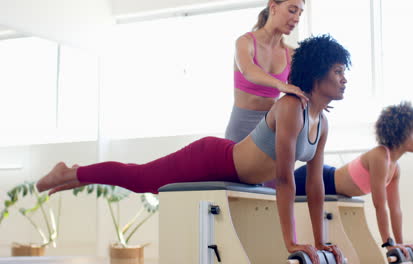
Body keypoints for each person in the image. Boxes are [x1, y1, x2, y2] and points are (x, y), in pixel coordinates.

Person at [36, 34, 350, 264]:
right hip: (213, 159)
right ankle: (72, 172)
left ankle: (75, 175)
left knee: (142, 179)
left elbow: (314, 185)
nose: (344, 79)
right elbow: (284, 179)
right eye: (337, 72)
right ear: (317, 72)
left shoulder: (321, 124)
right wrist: (291, 241)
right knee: (141, 178)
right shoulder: (291, 108)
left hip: (238, 172)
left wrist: (322, 242)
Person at [294, 101, 413, 259]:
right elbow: (380, 205)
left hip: (327, 184)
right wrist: (389, 244)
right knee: (272, 197)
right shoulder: (380, 156)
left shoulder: (395, 168)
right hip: (316, 178)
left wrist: (400, 243)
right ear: (401, 132)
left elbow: (395, 209)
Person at [225, 0, 309, 143]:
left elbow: (299, 91)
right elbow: (248, 70)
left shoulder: (291, 53)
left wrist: (318, 98)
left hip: (271, 129)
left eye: (300, 14)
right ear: (273, 7)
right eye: (292, 10)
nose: (296, 19)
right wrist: (280, 84)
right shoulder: (245, 42)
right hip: (240, 129)